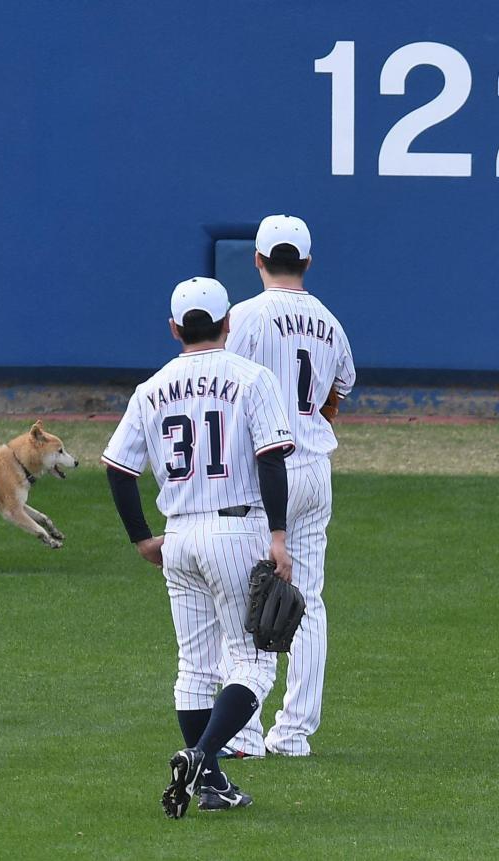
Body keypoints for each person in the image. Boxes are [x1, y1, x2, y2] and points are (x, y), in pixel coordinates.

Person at [102, 276, 295, 818]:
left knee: (194, 665)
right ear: (228, 322)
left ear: (173, 328)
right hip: (237, 531)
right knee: (255, 662)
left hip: (179, 537)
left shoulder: (151, 388)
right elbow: (272, 457)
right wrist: (279, 536)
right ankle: (201, 756)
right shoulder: (251, 377)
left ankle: (210, 784)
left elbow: (118, 469)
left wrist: (142, 537)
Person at [220, 214, 356, 757]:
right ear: (306, 262)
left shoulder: (244, 317)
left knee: (246, 593)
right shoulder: (329, 320)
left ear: (257, 259)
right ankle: (294, 732)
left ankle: (245, 732)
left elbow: (225, 395)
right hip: (314, 468)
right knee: (309, 598)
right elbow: (339, 391)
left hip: (262, 472)